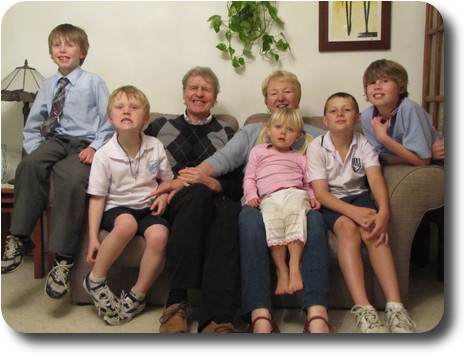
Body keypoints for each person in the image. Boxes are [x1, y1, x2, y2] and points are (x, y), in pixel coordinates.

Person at [188, 70, 331, 333]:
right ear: (266, 102)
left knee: (315, 220)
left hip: (299, 199)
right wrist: (194, 175)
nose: (281, 97)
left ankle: (317, 313)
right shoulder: (253, 132)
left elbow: (333, 165)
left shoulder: (316, 135)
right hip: (260, 202)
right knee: (250, 221)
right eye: (274, 92)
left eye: (287, 91)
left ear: (298, 97)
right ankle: (260, 314)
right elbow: (223, 159)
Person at [1, 24, 114, 300]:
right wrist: (37, 150)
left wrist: (95, 147)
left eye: (70, 45)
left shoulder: (93, 82)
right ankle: (19, 237)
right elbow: (35, 122)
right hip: (55, 141)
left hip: (82, 145)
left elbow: (108, 120)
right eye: (57, 45)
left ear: (83, 52)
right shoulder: (49, 84)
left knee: (72, 177)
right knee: (28, 165)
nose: (63, 49)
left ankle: (63, 259)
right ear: (52, 52)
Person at [144, 66, 243, 333]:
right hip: (172, 202)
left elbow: (240, 184)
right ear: (184, 93)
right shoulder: (159, 127)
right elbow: (139, 165)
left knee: (229, 213)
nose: (199, 94)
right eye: (193, 88)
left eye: (206, 89)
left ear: (215, 96)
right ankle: (176, 301)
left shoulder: (228, 133)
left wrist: (216, 182)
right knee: (197, 193)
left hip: (214, 202)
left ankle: (217, 316)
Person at [308, 92, 416, 333]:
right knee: (347, 229)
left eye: (346, 110)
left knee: (373, 230)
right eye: (333, 110)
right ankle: (364, 309)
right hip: (333, 200)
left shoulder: (364, 143)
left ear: (357, 117)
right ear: (325, 120)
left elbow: (376, 180)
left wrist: (384, 212)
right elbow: (322, 194)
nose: (340, 114)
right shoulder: (316, 147)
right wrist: (353, 213)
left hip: (359, 195)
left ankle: (395, 307)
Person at [83, 86, 174, 325]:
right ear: (111, 118)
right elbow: (97, 198)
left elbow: (168, 180)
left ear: (145, 119)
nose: (127, 111)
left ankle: (137, 295)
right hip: (117, 208)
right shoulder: (104, 155)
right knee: (126, 224)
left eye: (134, 108)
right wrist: (94, 237)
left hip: (147, 206)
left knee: (160, 236)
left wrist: (164, 196)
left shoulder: (155, 146)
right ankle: (95, 279)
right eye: (120, 107)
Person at [244, 108, 319, 296]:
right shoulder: (258, 151)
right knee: (273, 221)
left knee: (294, 211)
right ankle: (282, 270)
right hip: (269, 197)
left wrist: (312, 197)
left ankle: (294, 265)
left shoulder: (300, 156)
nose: (283, 132)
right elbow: (249, 177)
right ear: (269, 130)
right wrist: (251, 195)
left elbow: (308, 183)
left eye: (290, 130)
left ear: (297, 136)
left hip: (295, 192)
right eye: (278, 127)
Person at [360, 59, 444, 166]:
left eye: (385, 81)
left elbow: (422, 161)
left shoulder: (408, 108)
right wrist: (425, 155)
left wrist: (383, 137)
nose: (377, 86)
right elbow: (383, 158)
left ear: (400, 88)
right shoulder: (367, 116)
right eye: (372, 83)